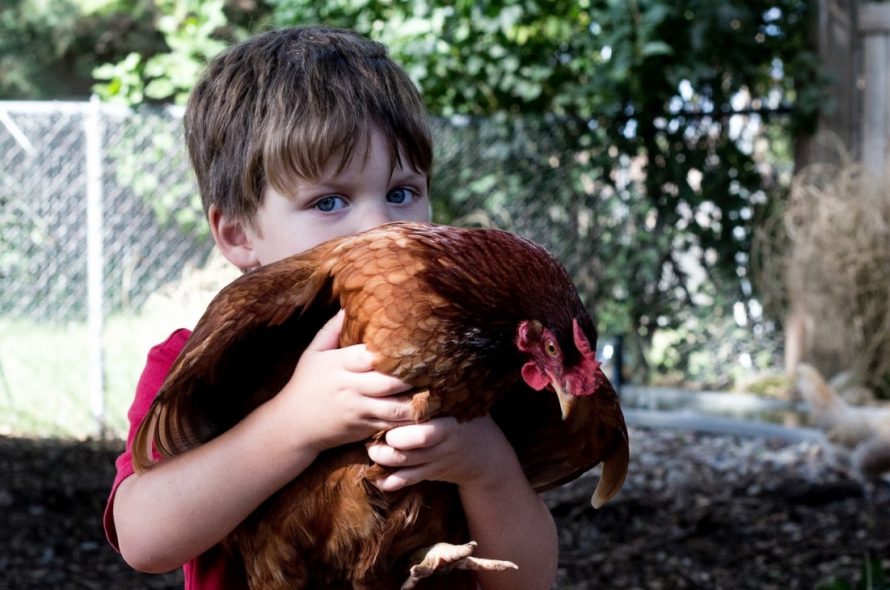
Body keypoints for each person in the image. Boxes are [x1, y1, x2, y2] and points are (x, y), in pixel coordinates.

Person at [103, 25, 558, 590]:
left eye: (401, 192)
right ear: (239, 234)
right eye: (329, 201)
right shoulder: (201, 363)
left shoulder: (465, 370)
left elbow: (530, 581)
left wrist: (486, 465)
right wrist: (291, 426)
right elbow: (145, 539)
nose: (380, 228)